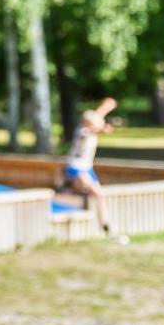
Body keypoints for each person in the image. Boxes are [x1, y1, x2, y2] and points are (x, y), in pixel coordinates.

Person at [64, 97, 120, 236]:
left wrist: (106, 107)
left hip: (87, 168)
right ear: (88, 124)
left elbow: (97, 117)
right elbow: (95, 128)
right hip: (75, 167)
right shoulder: (82, 132)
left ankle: (105, 224)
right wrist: (104, 128)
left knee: (100, 195)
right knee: (96, 192)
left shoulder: (89, 124)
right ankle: (67, 188)